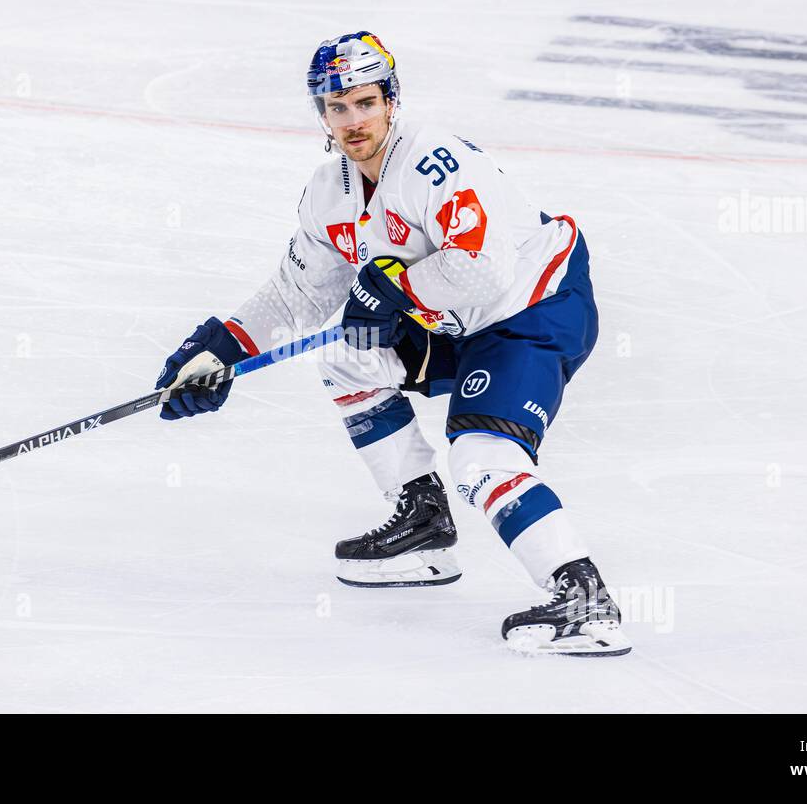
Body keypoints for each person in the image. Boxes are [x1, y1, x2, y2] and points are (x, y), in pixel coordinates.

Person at [155, 32, 630, 656]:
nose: (353, 121)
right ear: (321, 114)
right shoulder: (331, 192)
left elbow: (485, 268)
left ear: (390, 101)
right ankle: (423, 521)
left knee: (482, 456)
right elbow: (297, 295)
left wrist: (396, 289)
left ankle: (584, 596)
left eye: (364, 102)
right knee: (349, 358)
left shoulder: (433, 159)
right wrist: (219, 350)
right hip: (454, 319)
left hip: (532, 306)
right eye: (337, 107)